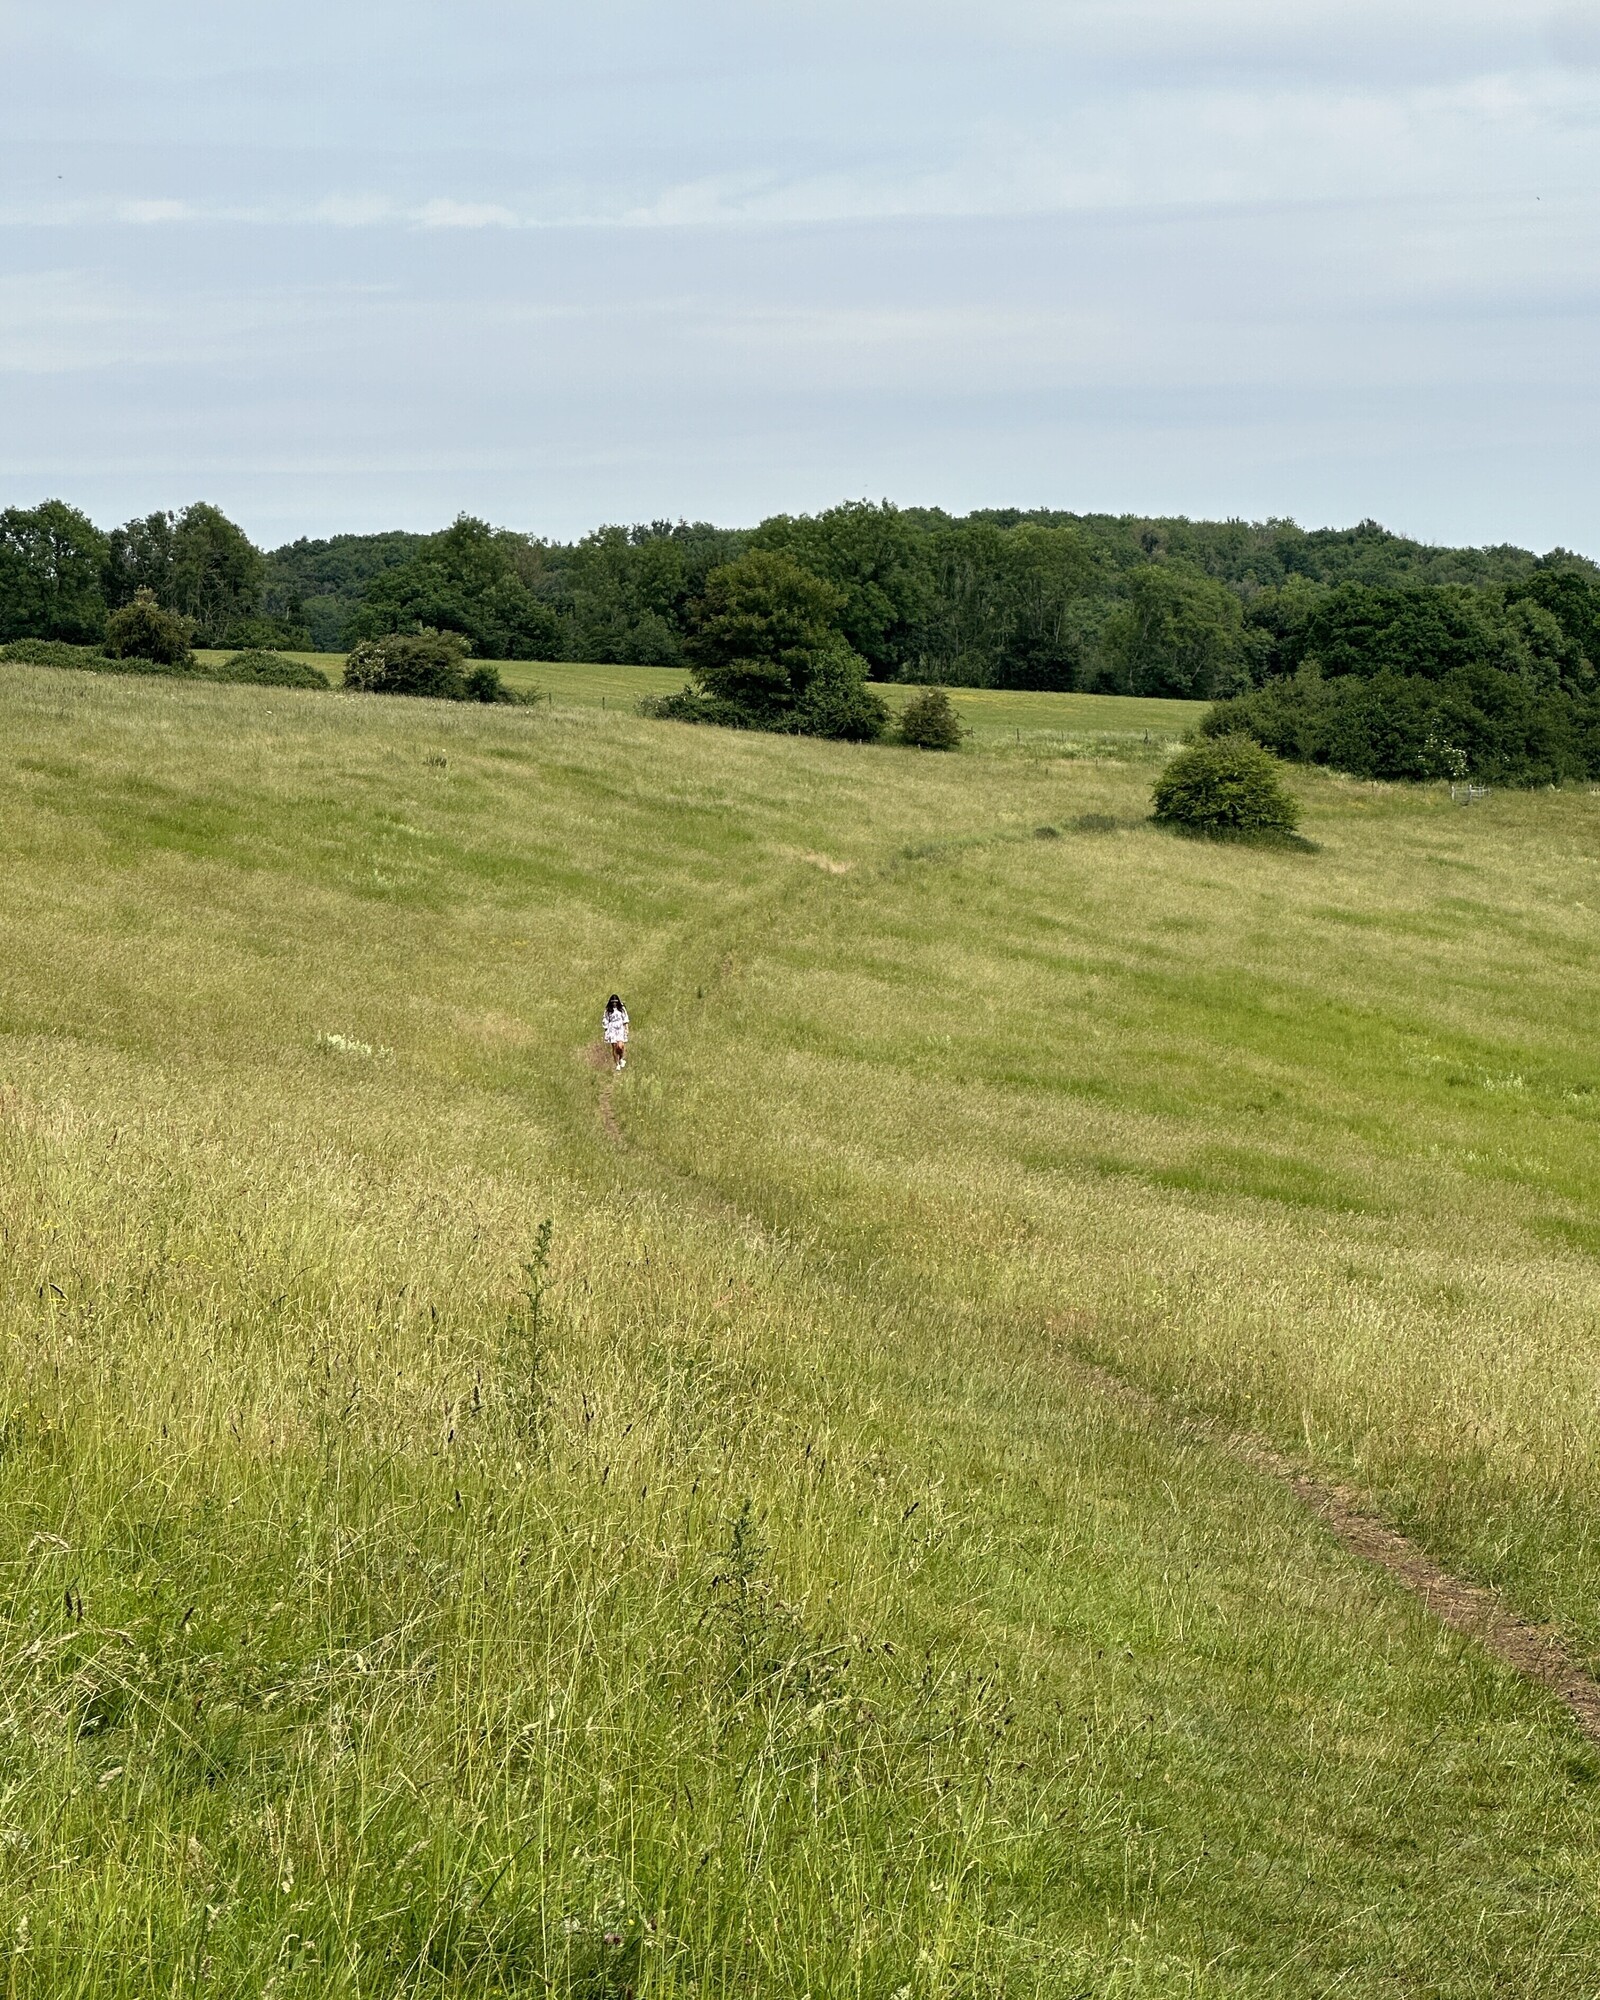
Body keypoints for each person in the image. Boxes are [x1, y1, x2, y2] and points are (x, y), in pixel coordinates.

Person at [602, 994, 629, 1070]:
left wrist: (626, 1028)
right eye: (613, 1002)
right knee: (614, 1046)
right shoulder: (608, 1010)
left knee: (620, 1046)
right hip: (612, 1029)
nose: (614, 1004)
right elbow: (606, 1020)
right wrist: (606, 1030)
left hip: (620, 1028)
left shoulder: (622, 1009)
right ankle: (617, 1064)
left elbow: (625, 1018)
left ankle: (621, 1059)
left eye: (615, 1002)